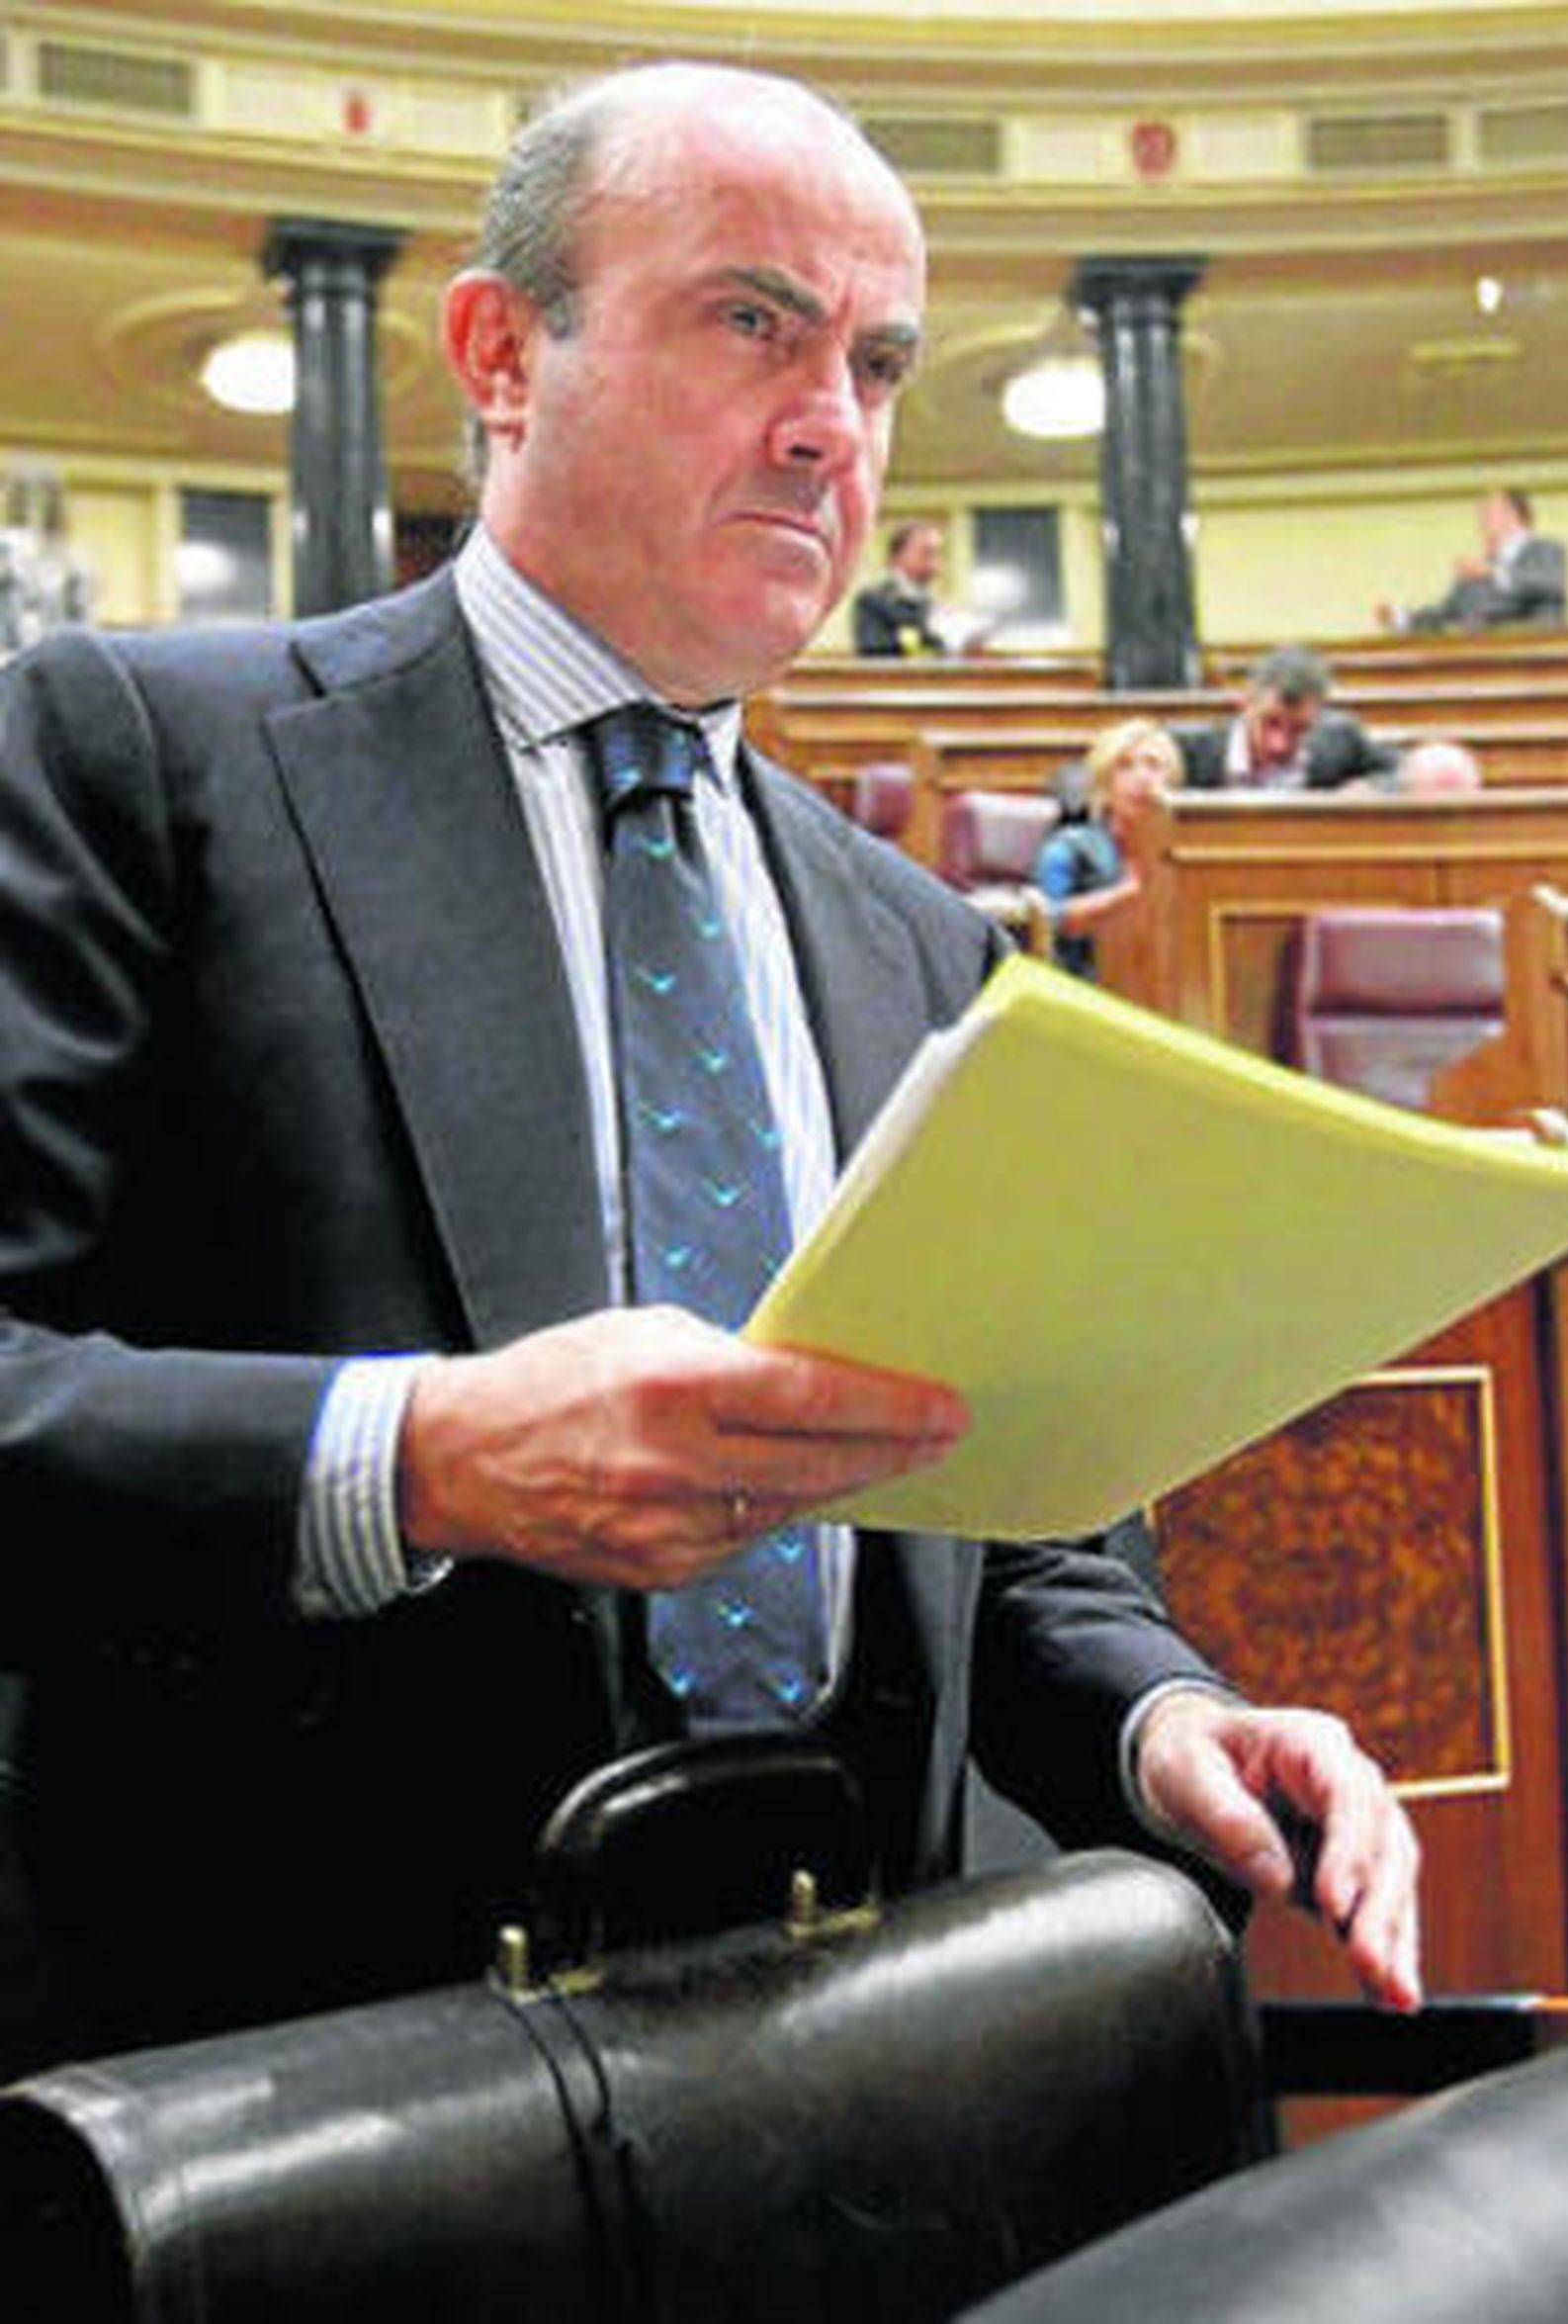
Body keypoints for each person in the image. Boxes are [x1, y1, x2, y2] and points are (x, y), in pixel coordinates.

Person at [0, 61, 1419, 2076]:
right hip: (305, 2080)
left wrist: (1156, 1714)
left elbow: (1007, 1521)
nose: (828, 423)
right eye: (751, 320)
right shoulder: (138, 758)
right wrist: (411, 1457)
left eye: (876, 361)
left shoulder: (926, 941)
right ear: (501, 353)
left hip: (845, 2059)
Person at [1034, 718, 1178, 977]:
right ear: (1103, 783)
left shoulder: (1189, 854)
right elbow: (1047, 924)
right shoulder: (1068, 848)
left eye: (1153, 765)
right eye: (1124, 766)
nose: (1142, 777)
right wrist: (1127, 895)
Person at [1174, 644, 1399, 791]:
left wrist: (1370, 787)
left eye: (1299, 730)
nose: (1279, 745)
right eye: (1270, 723)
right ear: (1245, 702)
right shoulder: (1189, 752)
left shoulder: (1340, 741)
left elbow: (1405, 771)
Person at [1381, 487, 1568, 633]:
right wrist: (1401, 618)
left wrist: (1492, 573)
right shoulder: (1477, 570)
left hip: (1532, 663)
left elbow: (1550, 585)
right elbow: (1446, 613)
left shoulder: (1547, 550)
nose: (1481, 523)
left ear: (1513, 514)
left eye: (1488, 513)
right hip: (1481, 663)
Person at [851, 517, 948, 655]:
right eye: (927, 552)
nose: (935, 561)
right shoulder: (872, 600)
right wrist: (928, 636)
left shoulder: (932, 604)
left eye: (938, 553)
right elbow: (873, 649)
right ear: (897, 556)